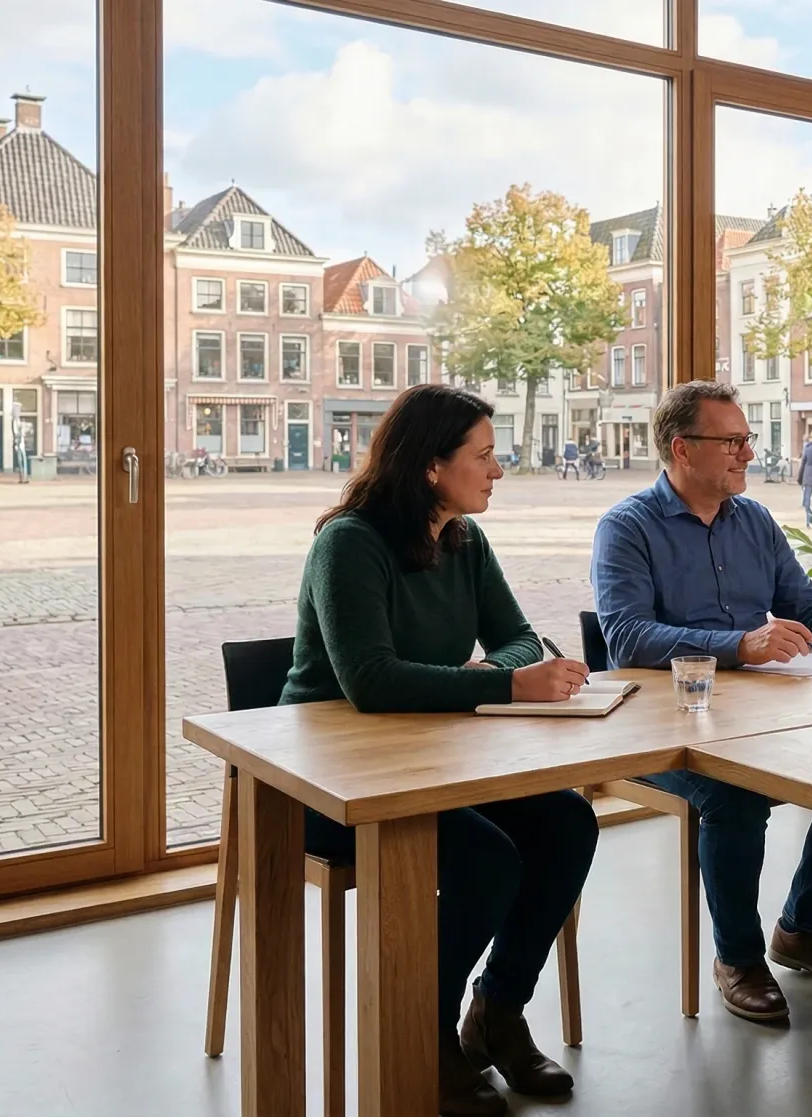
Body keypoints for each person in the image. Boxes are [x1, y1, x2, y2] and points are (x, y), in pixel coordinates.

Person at [281, 384, 598, 1116]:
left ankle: (495, 1010)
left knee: (567, 824)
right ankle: (420, 1036)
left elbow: (518, 636)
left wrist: (493, 673)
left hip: (437, 762)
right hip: (330, 778)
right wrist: (497, 684)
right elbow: (370, 680)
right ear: (431, 465)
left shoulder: (464, 537)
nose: (498, 470)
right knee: (487, 859)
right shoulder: (349, 542)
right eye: (483, 456)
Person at [591, 379, 812, 1024]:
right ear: (682, 448)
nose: (747, 454)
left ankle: (805, 929)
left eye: (747, 440)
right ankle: (738, 958)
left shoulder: (753, 520)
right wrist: (739, 645)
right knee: (733, 795)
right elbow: (627, 637)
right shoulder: (626, 527)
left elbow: (805, 601)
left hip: (757, 715)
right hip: (657, 724)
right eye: (731, 441)